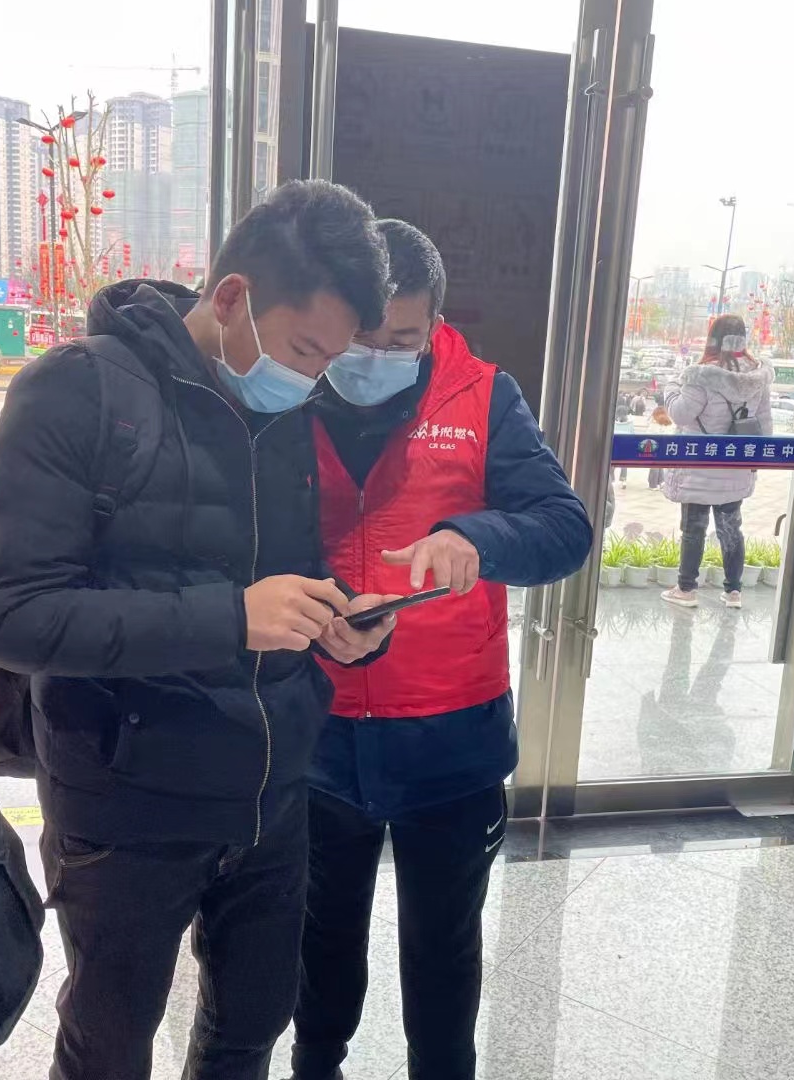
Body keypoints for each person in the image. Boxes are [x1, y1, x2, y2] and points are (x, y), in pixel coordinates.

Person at [0, 180, 398, 1080]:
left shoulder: (288, 414)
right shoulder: (78, 390)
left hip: (271, 792)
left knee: (250, 1030)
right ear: (233, 297)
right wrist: (234, 619)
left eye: (329, 362)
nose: (312, 379)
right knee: (109, 1046)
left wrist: (338, 618)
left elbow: (289, 571)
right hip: (127, 802)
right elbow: (16, 614)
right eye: (304, 350)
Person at [289, 220, 591, 1080]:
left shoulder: (484, 397)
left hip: (450, 737)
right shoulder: (290, 391)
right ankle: (317, 1064)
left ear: (435, 325)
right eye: (365, 336)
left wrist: (475, 537)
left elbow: (564, 529)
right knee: (319, 936)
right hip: (318, 729)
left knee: (443, 946)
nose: (379, 356)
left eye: (404, 339)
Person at [659, 314, 772, 610]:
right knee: (731, 528)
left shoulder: (702, 375)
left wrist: (672, 387)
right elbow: (765, 424)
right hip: (735, 467)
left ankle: (686, 589)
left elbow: (681, 413)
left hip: (699, 467)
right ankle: (733, 591)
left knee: (694, 528)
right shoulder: (757, 376)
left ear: (713, 338)